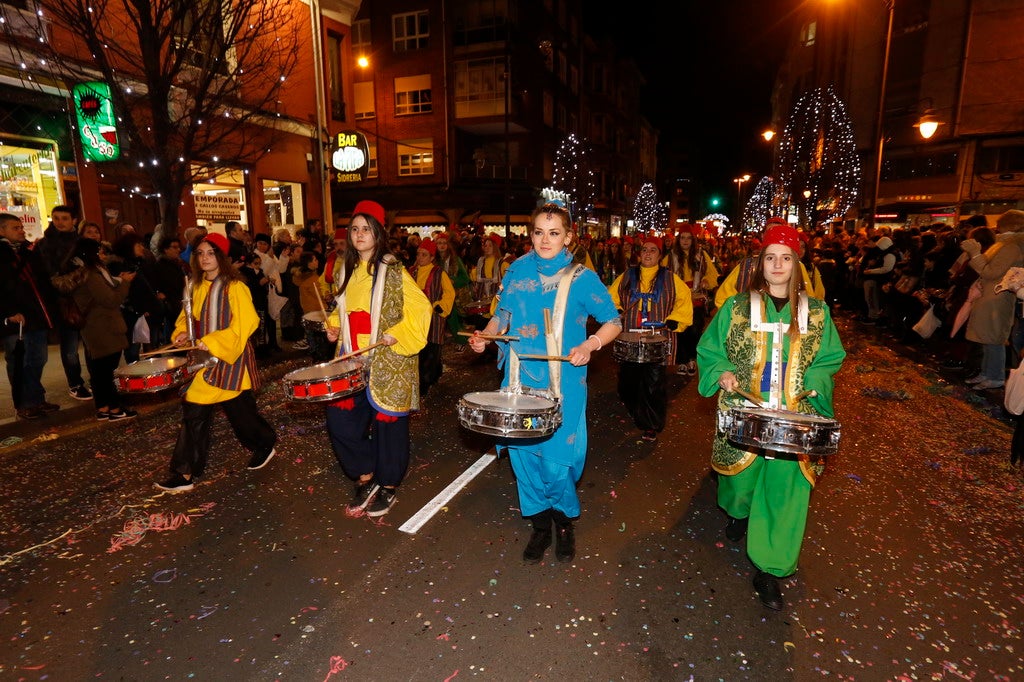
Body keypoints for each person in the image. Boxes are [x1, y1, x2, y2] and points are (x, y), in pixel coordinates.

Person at [696, 221, 845, 611]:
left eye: (786, 258)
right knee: (740, 485)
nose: (777, 265)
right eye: (770, 258)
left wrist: (813, 382)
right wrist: (721, 372)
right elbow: (711, 349)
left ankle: (771, 569)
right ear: (759, 264)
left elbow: (829, 358)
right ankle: (739, 511)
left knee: (785, 494)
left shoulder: (817, 312)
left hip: (797, 417)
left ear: (797, 264)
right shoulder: (737, 307)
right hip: (745, 411)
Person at [468, 200, 621, 564]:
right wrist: (486, 337)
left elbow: (613, 321)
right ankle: (539, 525)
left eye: (554, 233)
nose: (545, 239)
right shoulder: (517, 270)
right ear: (531, 234)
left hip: (564, 383)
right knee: (523, 459)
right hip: (519, 381)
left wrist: (590, 344)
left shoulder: (583, 278)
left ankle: (563, 522)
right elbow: (500, 318)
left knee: (557, 461)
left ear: (568, 237)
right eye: (539, 232)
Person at [323, 200, 431, 518]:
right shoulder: (347, 269)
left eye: (366, 229)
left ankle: (388, 485)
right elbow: (342, 311)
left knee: (389, 428)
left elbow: (421, 308)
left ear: (378, 233)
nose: (359, 234)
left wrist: (398, 333)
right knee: (340, 422)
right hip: (351, 357)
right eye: (354, 229)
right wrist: (333, 326)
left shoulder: (393, 269)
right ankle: (366, 476)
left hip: (387, 357)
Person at [155, 233, 278, 492]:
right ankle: (184, 473)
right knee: (194, 414)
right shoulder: (194, 287)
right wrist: (181, 334)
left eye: (210, 253)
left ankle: (264, 443)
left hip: (229, 361)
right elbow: (186, 319)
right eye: (200, 253)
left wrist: (213, 341)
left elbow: (247, 323)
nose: (204, 258)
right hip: (203, 362)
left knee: (242, 417)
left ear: (221, 257)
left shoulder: (236, 287)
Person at [609, 235, 693, 442]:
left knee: (653, 384)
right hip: (629, 338)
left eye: (652, 250)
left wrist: (675, 320)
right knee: (628, 383)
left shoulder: (671, 278)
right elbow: (611, 296)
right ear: (639, 253)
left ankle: (651, 425)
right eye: (644, 250)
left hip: (657, 340)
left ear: (660, 255)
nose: (648, 253)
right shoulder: (627, 275)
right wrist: (617, 309)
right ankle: (636, 410)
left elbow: (684, 300)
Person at [59, 238, 138, 420]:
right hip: (103, 327)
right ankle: (115, 409)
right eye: (100, 252)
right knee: (105, 371)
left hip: (96, 326)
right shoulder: (91, 275)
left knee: (99, 370)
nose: (104, 255)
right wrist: (125, 283)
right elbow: (110, 299)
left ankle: (103, 408)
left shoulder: (82, 273)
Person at [0, 213, 60, 420]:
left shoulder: (28, 251)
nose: (21, 230)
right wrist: (8, 312)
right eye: (15, 227)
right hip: (15, 319)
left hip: (36, 314)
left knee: (38, 358)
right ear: (2, 230)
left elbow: (42, 279)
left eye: (21, 227)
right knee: (18, 362)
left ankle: (36, 399)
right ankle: (23, 403)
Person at [961, 209, 1024, 390]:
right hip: (990, 294)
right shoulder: (1004, 244)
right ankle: (987, 372)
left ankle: (995, 376)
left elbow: (991, 272)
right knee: (986, 337)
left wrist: (975, 254)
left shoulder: (1011, 246)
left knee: (993, 338)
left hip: (997, 296)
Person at [35, 204, 92, 401]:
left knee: (91, 343)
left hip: (87, 300)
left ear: (74, 220)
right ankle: (75, 383)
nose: (60, 222)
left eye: (64, 218)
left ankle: (94, 379)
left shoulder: (82, 243)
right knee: (70, 347)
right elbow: (47, 276)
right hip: (63, 302)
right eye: (56, 218)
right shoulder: (45, 244)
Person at [664, 224, 719, 375]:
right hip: (679, 300)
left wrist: (707, 280)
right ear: (678, 239)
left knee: (695, 330)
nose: (685, 241)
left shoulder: (701, 255)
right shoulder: (670, 256)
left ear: (693, 240)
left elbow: (712, 273)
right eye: (683, 238)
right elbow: (662, 275)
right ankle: (681, 361)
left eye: (689, 238)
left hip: (696, 299)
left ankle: (691, 359)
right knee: (680, 331)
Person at [408, 237, 454, 399]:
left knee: (431, 351)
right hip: (414, 320)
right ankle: (420, 380)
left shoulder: (439, 273)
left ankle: (427, 381)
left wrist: (441, 306)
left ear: (432, 257)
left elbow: (449, 293)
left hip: (432, 319)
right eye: (419, 254)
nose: (420, 257)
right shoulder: (410, 271)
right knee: (417, 351)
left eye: (424, 255)